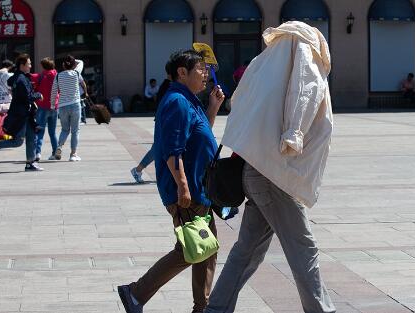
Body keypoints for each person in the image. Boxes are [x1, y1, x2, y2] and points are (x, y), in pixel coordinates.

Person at [204, 21, 336, 313]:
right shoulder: (303, 53)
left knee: (247, 250)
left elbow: (239, 102)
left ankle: (216, 309)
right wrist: (294, 133)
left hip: (255, 169)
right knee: (304, 248)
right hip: (275, 173)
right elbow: (306, 91)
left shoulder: (263, 64)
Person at [118, 50, 225, 313]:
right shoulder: (177, 101)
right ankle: (135, 293)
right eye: (200, 69)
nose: (205, 74)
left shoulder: (190, 100)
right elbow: (171, 150)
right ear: (181, 72)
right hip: (188, 190)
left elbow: (200, 137)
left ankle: (201, 307)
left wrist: (212, 108)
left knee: (204, 248)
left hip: (201, 186)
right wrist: (183, 187)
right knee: (192, 248)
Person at [0, 54, 44, 171]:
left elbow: (11, 83)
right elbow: (27, 97)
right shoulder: (21, 79)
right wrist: (38, 95)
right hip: (22, 115)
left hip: (26, 113)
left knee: (31, 138)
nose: (30, 66)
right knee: (17, 142)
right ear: (22, 65)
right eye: (29, 64)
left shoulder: (18, 77)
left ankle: (30, 163)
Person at [131, 76, 172, 184]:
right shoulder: (168, 86)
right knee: (158, 148)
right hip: (166, 121)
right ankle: (138, 169)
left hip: (166, 120)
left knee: (160, 149)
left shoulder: (167, 85)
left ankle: (139, 170)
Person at [51, 55, 87, 161]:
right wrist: (85, 92)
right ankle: (73, 154)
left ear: (63, 65)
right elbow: (83, 83)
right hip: (75, 105)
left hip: (62, 106)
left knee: (65, 129)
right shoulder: (76, 74)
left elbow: (54, 92)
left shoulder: (58, 76)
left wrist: (53, 105)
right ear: (73, 65)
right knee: (75, 131)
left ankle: (59, 147)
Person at [31, 57, 59, 161]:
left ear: (44, 66)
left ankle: (37, 153)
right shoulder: (57, 76)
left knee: (39, 132)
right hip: (54, 107)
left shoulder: (41, 76)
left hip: (42, 107)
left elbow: (31, 77)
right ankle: (55, 152)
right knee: (52, 133)